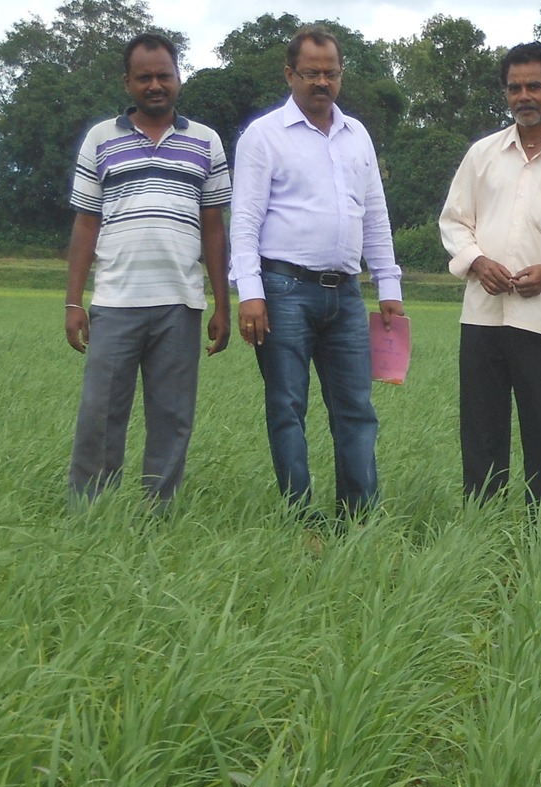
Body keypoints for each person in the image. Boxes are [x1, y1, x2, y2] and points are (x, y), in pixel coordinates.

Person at [230, 26, 405, 519]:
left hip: (345, 294)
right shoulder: (264, 135)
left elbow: (375, 214)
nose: (322, 82)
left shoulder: (357, 135)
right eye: (311, 73)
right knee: (287, 407)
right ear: (290, 74)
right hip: (282, 289)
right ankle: (299, 517)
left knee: (356, 410)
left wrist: (388, 285)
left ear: (341, 75)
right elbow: (244, 219)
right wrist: (250, 292)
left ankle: (359, 517)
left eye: (331, 73)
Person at [63, 32, 231, 507]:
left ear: (178, 78)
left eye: (164, 76)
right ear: (128, 83)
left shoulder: (206, 141)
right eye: (144, 78)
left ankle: (158, 514)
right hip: (115, 301)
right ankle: (90, 513)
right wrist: (73, 302)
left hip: (180, 302)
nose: (155, 85)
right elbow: (85, 223)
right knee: (100, 415)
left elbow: (214, 226)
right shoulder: (101, 138)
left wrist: (222, 304)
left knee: (172, 417)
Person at [439, 41, 541, 510]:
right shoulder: (482, 155)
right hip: (482, 315)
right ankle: (482, 522)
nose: (524, 96)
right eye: (514, 88)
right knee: (481, 431)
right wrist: (478, 262)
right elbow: (454, 222)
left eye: (534, 86)